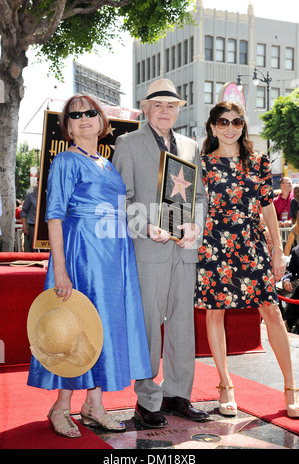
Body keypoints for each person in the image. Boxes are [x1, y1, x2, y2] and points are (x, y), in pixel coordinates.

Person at [27, 94, 152, 438]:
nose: (84, 118)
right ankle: (60, 407)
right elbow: (54, 216)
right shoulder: (66, 161)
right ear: (67, 126)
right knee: (77, 327)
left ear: (101, 120)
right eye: (75, 115)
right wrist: (61, 269)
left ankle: (94, 406)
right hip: (83, 255)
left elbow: (120, 213)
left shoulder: (106, 163)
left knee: (101, 330)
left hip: (113, 259)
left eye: (90, 113)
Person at [113, 78, 208, 428]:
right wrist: (144, 226)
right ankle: (147, 401)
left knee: (183, 327)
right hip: (148, 250)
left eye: (171, 105)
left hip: (184, 252)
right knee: (150, 327)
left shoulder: (189, 146)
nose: (165, 110)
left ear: (179, 109)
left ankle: (178, 395)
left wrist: (195, 226)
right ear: (145, 108)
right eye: (158, 105)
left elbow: (201, 197)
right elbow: (119, 198)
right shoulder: (128, 143)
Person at [195, 101, 299, 419]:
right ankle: (225, 386)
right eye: (223, 122)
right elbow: (188, 207)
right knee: (215, 314)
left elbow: (267, 206)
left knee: (271, 311)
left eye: (237, 122)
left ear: (243, 126)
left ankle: (291, 388)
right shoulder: (201, 165)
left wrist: (277, 250)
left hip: (251, 246)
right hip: (213, 247)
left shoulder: (258, 161)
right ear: (212, 127)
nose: (230, 127)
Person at [278, 245, 299, 333]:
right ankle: (281, 320)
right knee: (275, 290)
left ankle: (288, 323)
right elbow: (290, 270)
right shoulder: (296, 250)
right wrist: (286, 280)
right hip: (296, 281)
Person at [21, 183, 38, 251]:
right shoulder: (30, 196)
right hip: (33, 226)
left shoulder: (51, 196)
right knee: (32, 248)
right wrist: (24, 227)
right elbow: (23, 211)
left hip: (47, 226)